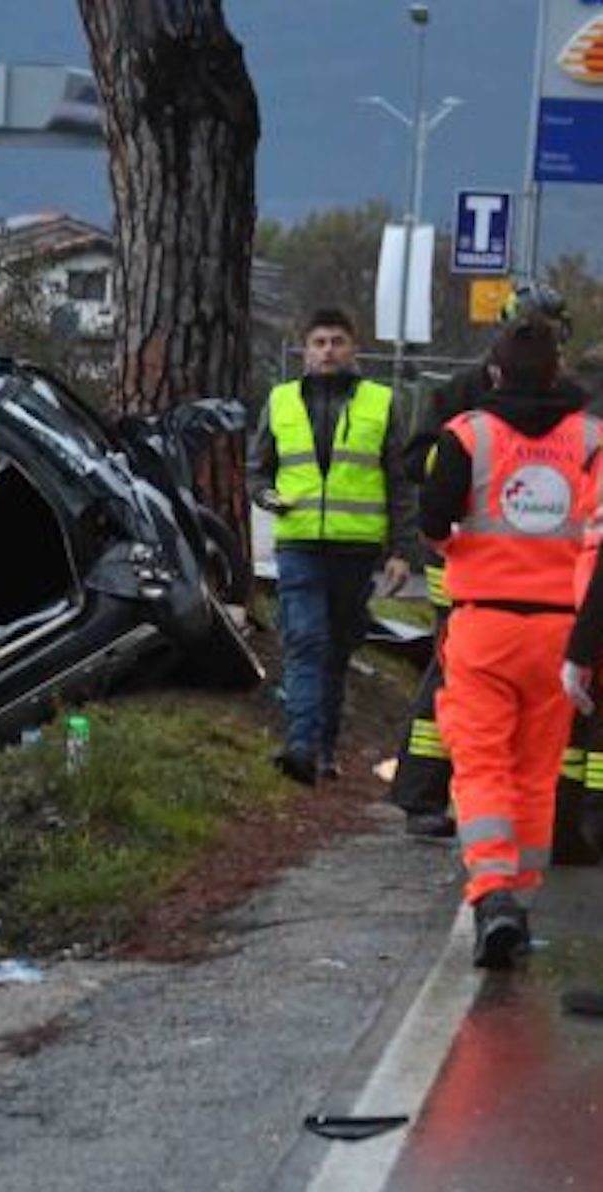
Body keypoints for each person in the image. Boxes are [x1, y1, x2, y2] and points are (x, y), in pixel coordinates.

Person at [421, 312, 602, 969]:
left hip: (485, 626)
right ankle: (518, 901)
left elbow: (432, 520)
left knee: (481, 764)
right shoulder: (592, 438)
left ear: (493, 372)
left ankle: (493, 893)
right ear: (560, 371)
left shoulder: (468, 434)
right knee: (534, 771)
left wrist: (463, 547)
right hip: (562, 634)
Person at [391, 281, 587, 841]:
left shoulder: (570, 403)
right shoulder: (460, 392)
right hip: (468, 563)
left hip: (547, 572)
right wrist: (462, 468)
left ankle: (559, 814)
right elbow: (415, 463)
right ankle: (423, 793)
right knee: (450, 675)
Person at [248, 306, 416, 785]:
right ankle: (299, 745)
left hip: (356, 549)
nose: (328, 350)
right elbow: (257, 468)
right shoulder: (280, 401)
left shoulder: (382, 403)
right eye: (319, 342)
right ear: (305, 350)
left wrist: (402, 550)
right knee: (305, 641)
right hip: (298, 543)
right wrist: (266, 496)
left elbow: (400, 482)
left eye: (337, 341)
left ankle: (323, 747)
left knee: (338, 649)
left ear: (353, 348)